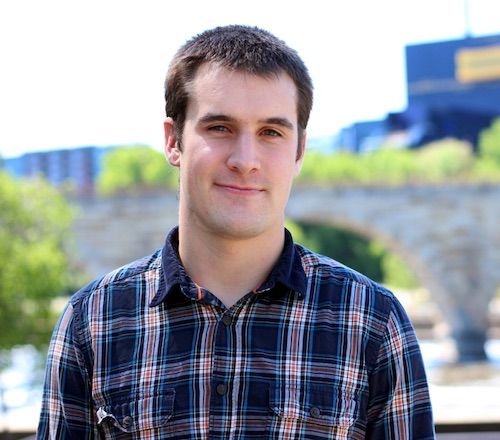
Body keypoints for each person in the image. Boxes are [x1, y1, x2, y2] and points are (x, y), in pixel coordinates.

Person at [37, 25, 435, 439]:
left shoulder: (372, 320)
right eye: (220, 128)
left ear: (299, 151)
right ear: (174, 141)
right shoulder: (92, 322)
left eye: (271, 133)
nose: (246, 160)